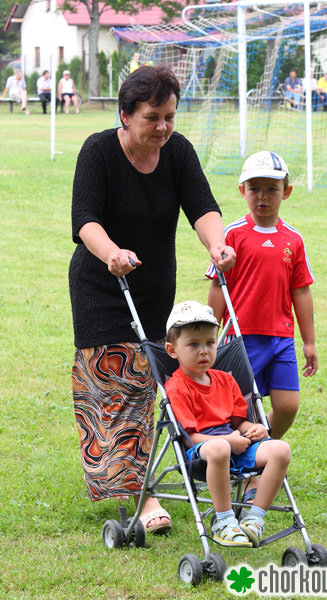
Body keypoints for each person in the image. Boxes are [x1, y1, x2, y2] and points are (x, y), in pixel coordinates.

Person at [69, 65, 235, 534]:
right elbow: (85, 219)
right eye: (151, 117)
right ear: (125, 115)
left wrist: (216, 245)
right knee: (120, 386)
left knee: (149, 380)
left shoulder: (177, 152)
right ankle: (144, 498)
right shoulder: (99, 151)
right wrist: (112, 253)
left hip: (154, 287)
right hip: (102, 286)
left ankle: (138, 481)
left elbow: (202, 205)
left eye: (169, 116)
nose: (162, 127)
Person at [206, 151, 318, 441]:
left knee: (287, 405)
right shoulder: (231, 234)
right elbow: (218, 285)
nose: (262, 196)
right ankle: (252, 469)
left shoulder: (293, 239)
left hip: (281, 339)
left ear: (287, 192)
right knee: (244, 409)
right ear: (242, 191)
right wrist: (210, 334)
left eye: (272, 189)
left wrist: (309, 341)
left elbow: (301, 291)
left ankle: (264, 451)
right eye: (254, 188)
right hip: (241, 339)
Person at [164, 301, 291, 547]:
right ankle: (224, 521)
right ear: (172, 350)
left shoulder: (225, 380)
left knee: (280, 449)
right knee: (219, 448)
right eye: (193, 344)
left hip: (235, 443)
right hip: (201, 449)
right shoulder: (177, 387)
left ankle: (255, 518)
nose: (204, 351)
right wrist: (228, 441)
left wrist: (253, 429)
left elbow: (238, 421)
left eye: (210, 343)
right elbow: (190, 437)